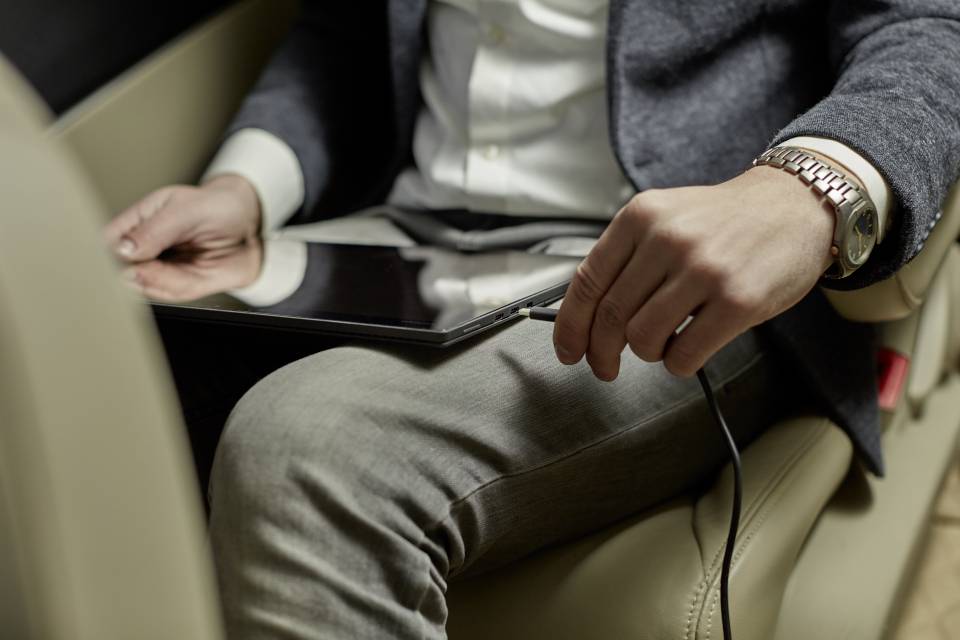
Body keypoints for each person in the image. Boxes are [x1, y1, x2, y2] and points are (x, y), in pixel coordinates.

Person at [104, 1, 960, 637]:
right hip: (402, 238)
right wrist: (242, 186)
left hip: (662, 266)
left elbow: (929, 30)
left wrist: (807, 190)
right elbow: (344, 40)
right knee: (87, 369)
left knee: (304, 447)